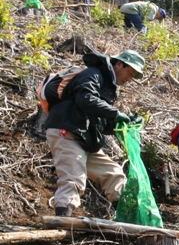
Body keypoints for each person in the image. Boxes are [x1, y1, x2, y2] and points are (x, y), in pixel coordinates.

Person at [45, 50, 146, 217]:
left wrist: (123, 122)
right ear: (119, 64)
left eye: (133, 76)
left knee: (113, 174)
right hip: (68, 131)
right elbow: (85, 99)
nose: (129, 79)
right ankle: (61, 219)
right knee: (73, 179)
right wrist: (115, 113)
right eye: (130, 72)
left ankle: (126, 216)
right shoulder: (94, 74)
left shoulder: (108, 86)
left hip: (86, 138)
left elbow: (103, 124)